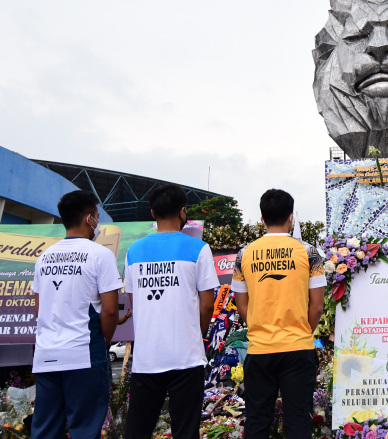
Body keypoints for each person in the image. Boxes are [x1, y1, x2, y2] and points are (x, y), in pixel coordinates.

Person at [123, 184, 218, 439]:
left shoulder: (134, 251)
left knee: (137, 430)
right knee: (186, 431)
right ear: (183, 212)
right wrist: (195, 335)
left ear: (153, 212)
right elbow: (208, 304)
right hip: (186, 358)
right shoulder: (199, 248)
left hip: (147, 358)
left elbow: (136, 301)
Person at [231, 190, 325, 439]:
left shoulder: (244, 254)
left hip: (260, 350)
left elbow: (241, 305)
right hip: (298, 348)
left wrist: (258, 326)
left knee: (257, 421)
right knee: (297, 421)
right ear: (291, 218)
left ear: (262, 219)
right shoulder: (309, 252)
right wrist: (305, 330)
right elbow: (317, 306)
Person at [31, 190, 122, 439]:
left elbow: (40, 310)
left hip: (46, 354)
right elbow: (111, 310)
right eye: (97, 216)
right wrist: (102, 343)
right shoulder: (101, 254)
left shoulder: (44, 258)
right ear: (89, 219)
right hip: (84, 354)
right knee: (84, 430)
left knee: (45, 429)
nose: (98, 224)